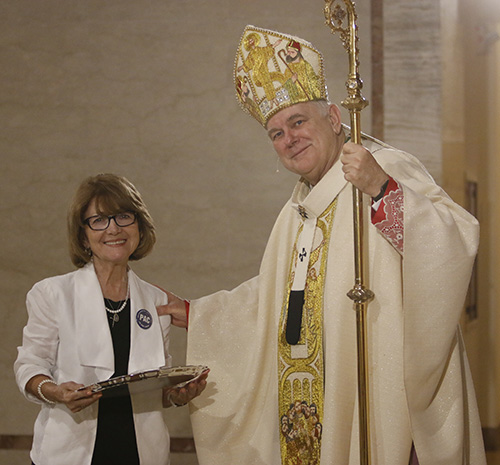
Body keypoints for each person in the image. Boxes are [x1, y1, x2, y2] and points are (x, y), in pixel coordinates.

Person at [159, 25, 486, 465]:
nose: (289, 138)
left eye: (297, 122)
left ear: (334, 118)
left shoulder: (383, 167)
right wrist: (200, 315)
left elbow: (452, 241)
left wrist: (382, 190)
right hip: (314, 399)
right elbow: (280, 296)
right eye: (276, 133)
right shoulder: (296, 208)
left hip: (382, 390)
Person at [14, 173, 208, 465]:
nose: (113, 229)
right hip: (68, 454)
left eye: (124, 217)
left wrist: (178, 395)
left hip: (140, 455)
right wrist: (55, 392)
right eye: (99, 220)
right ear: (83, 235)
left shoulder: (158, 301)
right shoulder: (52, 293)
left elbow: (155, 389)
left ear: (139, 227)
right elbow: (29, 366)